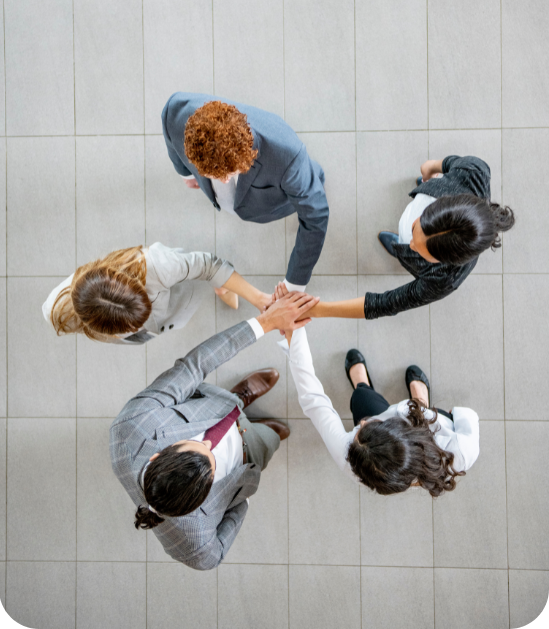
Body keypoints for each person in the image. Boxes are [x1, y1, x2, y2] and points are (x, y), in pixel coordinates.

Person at [110, 290, 319, 569]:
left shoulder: (130, 428)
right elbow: (216, 552)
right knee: (270, 440)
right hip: (246, 456)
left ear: (155, 456)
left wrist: (266, 321)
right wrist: (239, 503)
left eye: (197, 444)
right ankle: (256, 429)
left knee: (228, 406)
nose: (210, 443)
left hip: (212, 409)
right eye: (210, 460)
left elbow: (194, 365)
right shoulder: (195, 546)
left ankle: (238, 400)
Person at [275, 287, 479, 495]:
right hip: (428, 423)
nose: (362, 422)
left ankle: (363, 385)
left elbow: (313, 400)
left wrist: (293, 330)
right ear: (399, 429)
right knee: (422, 412)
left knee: (361, 398)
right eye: (371, 425)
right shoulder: (460, 451)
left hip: (402, 422)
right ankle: (421, 403)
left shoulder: (348, 458)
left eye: (359, 430)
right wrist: (425, 415)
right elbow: (466, 415)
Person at [293, 154, 515, 320]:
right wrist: (429, 171)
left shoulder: (445, 280)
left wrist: (316, 310)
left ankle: (399, 251)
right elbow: (445, 164)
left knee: (403, 249)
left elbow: (384, 304)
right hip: (434, 190)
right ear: (440, 204)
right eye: (416, 228)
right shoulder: (475, 171)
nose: (411, 243)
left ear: (445, 262)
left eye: (420, 251)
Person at [162, 93, 329, 290]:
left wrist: (295, 283)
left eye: (229, 173)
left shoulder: (288, 156)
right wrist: (186, 174)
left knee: (308, 187)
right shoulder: (176, 112)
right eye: (210, 174)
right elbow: (171, 137)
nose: (223, 180)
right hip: (243, 195)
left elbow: (315, 216)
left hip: (272, 202)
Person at [43, 242, 274, 344]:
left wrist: (259, 299)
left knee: (197, 277)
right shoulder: (56, 310)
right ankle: (220, 285)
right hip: (159, 322)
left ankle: (220, 285)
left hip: (177, 292)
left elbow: (208, 265)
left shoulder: (157, 266)